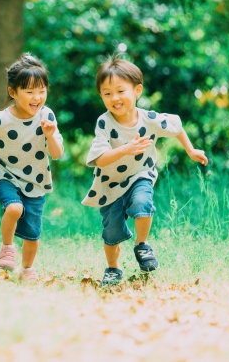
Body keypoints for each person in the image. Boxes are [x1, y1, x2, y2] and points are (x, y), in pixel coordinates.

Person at [82, 55, 208, 287]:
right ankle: (112, 268)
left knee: (142, 203)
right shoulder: (104, 122)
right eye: (107, 93)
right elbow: (99, 159)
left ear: (137, 90)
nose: (114, 98)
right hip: (110, 184)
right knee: (111, 232)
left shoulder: (148, 119)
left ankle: (142, 244)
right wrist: (126, 149)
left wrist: (190, 150)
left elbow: (176, 125)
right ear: (101, 96)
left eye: (121, 91)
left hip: (140, 174)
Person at [0, 53, 64, 282]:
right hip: (3, 173)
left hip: (35, 179)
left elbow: (57, 154)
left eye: (41, 91)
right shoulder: (2, 119)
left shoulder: (47, 115)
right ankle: (7, 247)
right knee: (14, 208)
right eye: (29, 92)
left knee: (32, 234)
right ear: (13, 93)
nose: (36, 97)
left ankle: (27, 269)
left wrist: (50, 136)